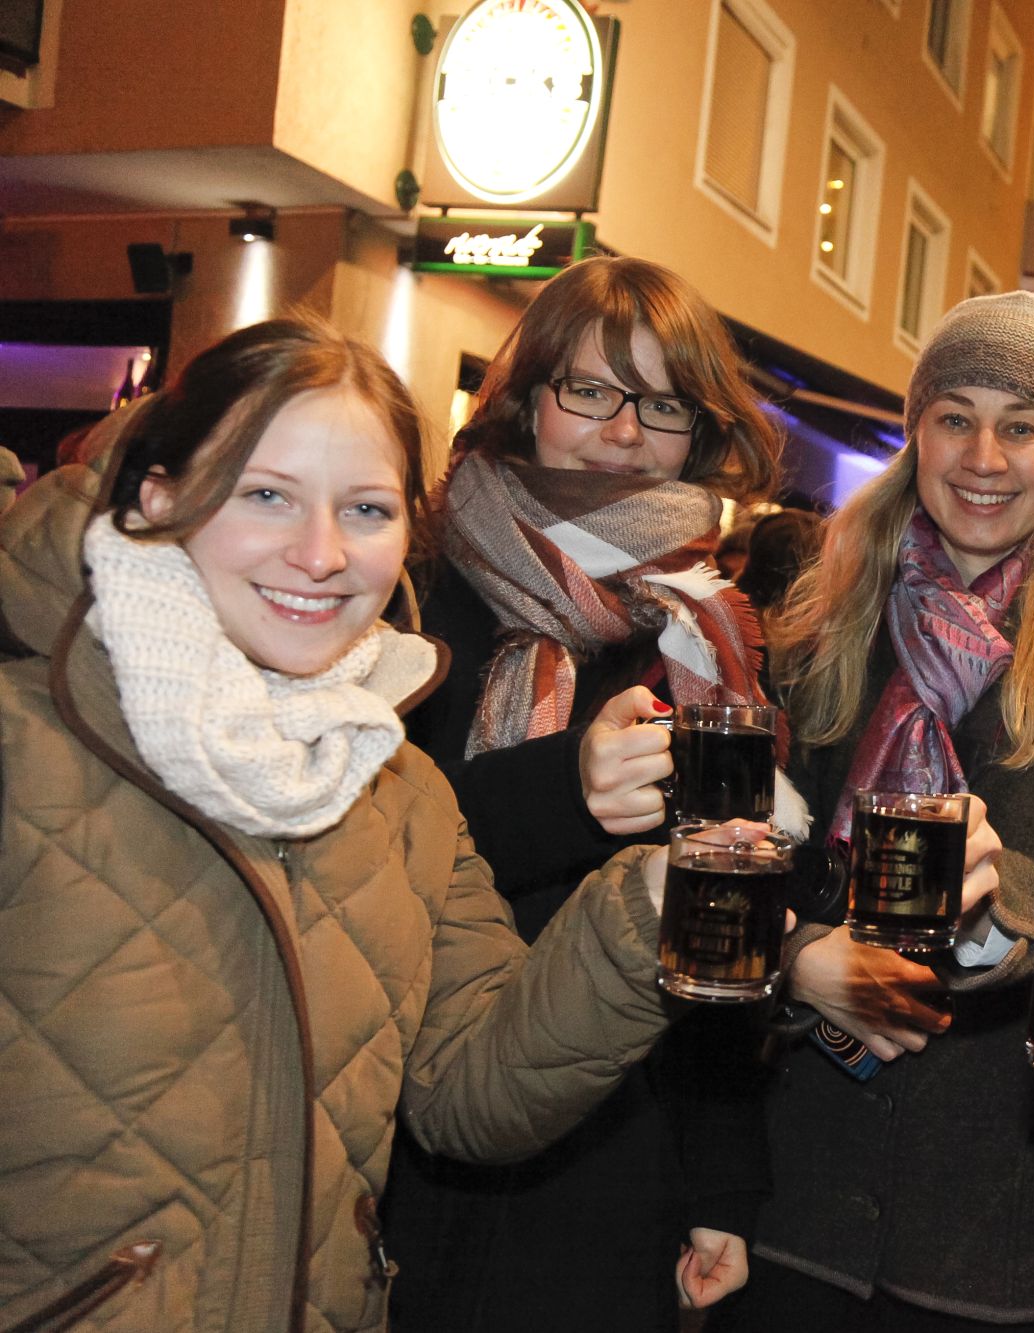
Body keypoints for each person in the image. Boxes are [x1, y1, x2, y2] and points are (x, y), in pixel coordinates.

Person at [0, 318, 682, 1332]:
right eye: (264, 494)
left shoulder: (394, 783)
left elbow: (470, 1091)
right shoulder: (26, 746)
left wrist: (644, 920)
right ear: (157, 497)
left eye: (364, 508)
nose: (319, 555)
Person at [705, 290, 1034, 1332]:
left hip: (998, 1217)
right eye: (953, 416)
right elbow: (753, 857)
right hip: (796, 1185)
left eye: (1021, 425)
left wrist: (993, 905)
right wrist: (796, 957)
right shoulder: (829, 609)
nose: (983, 453)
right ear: (915, 431)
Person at [383, 256, 790, 1330]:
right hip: (401, 1126)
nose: (622, 432)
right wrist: (560, 790)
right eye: (589, 390)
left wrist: (721, 1188)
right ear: (524, 399)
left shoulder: (709, 635)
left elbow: (719, 935)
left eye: (662, 404)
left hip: (618, 1150)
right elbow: (354, 853)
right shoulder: (404, 586)